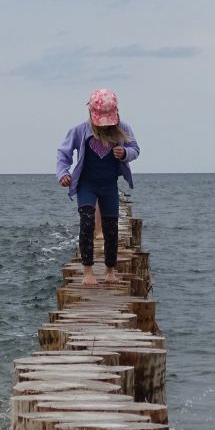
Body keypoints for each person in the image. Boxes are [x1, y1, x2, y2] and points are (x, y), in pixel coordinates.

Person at [55, 89, 141, 286]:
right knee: (87, 223)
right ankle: (88, 271)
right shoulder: (80, 130)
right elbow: (63, 154)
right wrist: (63, 173)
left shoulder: (123, 128)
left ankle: (110, 270)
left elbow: (136, 149)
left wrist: (125, 153)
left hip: (109, 185)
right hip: (87, 185)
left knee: (111, 228)